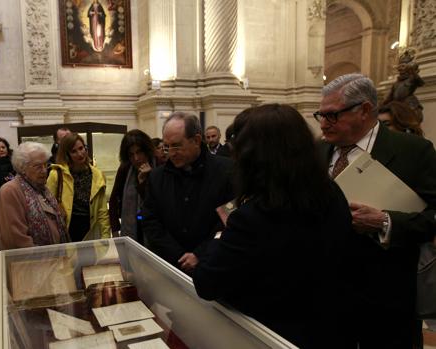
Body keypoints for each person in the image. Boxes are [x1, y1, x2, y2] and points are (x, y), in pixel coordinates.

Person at [193, 104, 360, 349]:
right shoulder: (331, 192)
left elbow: (206, 283)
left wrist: (219, 238)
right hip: (331, 332)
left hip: (273, 337)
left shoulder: (253, 215)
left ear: (254, 156)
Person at [315, 73, 436, 348]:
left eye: (332, 116)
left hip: (387, 302)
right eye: (319, 115)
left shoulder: (413, 152)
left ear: (365, 110)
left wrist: (385, 222)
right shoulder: (317, 152)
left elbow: (433, 217)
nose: (323, 124)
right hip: (326, 298)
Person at [141, 112, 233, 273]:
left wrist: (200, 254)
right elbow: (151, 221)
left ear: (196, 140)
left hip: (215, 265)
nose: (171, 153)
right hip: (172, 266)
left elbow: (229, 220)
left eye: (176, 145)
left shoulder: (226, 171)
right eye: (167, 146)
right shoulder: (157, 177)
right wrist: (179, 255)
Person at [0, 142, 68, 250]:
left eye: (46, 165)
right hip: (34, 262)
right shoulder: (10, 191)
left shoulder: (41, 187)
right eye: (38, 166)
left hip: (56, 260)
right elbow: (15, 240)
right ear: (22, 167)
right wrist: (48, 258)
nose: (44, 171)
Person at [47, 133, 111, 242]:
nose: (80, 154)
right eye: (74, 151)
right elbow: (47, 205)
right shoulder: (57, 174)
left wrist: (105, 237)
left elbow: (102, 210)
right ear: (67, 154)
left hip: (90, 229)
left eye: (81, 148)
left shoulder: (97, 174)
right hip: (66, 229)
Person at [108, 130, 156, 242]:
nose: (136, 158)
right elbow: (114, 199)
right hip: (132, 228)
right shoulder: (126, 169)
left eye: (139, 152)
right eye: (131, 154)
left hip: (154, 229)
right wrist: (115, 230)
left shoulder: (158, 166)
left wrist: (148, 178)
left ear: (146, 151)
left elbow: (157, 202)